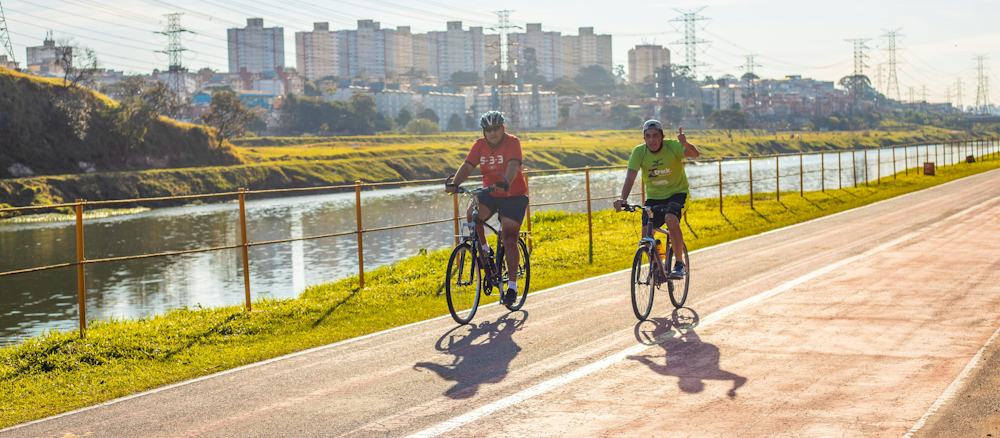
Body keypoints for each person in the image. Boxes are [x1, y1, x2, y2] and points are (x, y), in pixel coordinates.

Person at [445, 111, 529, 305]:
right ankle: (484, 250)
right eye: (488, 130)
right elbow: (467, 166)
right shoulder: (479, 145)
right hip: (489, 192)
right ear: (484, 132)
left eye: (496, 129)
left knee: (508, 238)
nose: (492, 133)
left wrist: (506, 181)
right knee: (472, 215)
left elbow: (513, 165)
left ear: (503, 129)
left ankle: (512, 287)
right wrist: (455, 183)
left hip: (513, 194)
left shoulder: (512, 142)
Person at [614, 120, 700, 279]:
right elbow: (630, 177)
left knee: (670, 218)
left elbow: (695, 154)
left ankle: (679, 264)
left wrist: (685, 143)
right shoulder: (639, 152)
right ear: (644, 138)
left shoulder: (673, 146)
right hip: (654, 198)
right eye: (648, 136)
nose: (652, 140)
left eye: (655, 136)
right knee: (646, 232)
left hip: (677, 193)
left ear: (662, 137)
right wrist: (622, 199)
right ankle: (656, 263)